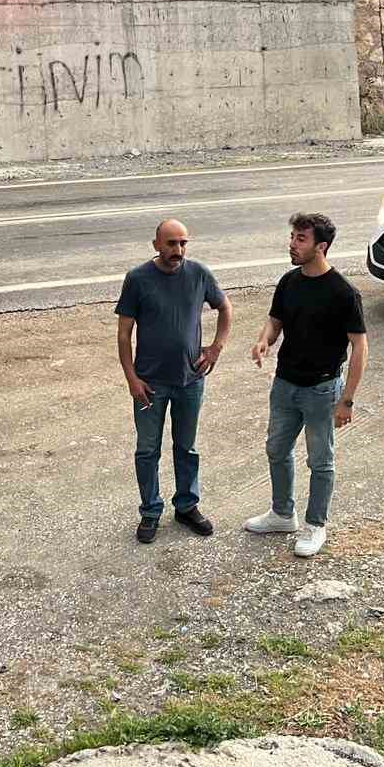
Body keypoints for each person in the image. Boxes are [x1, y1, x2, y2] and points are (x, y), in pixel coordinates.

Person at [245, 212, 369, 558]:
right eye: (292, 237)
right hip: (285, 384)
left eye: (301, 239)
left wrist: (347, 400)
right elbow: (275, 320)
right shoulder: (289, 281)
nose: (292, 244)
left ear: (321, 246)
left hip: (321, 390)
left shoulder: (343, 293)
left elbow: (359, 345)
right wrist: (264, 341)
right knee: (276, 450)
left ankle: (316, 525)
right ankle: (283, 514)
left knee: (321, 460)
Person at [116, 218, 232, 543]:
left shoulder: (199, 274)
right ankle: (150, 511)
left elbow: (225, 308)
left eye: (183, 243)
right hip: (149, 384)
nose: (177, 250)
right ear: (156, 245)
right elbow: (124, 335)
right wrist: (131, 379)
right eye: (171, 244)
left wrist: (215, 348)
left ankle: (186, 506)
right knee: (147, 449)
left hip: (190, 381)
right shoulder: (137, 279)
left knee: (186, 447)